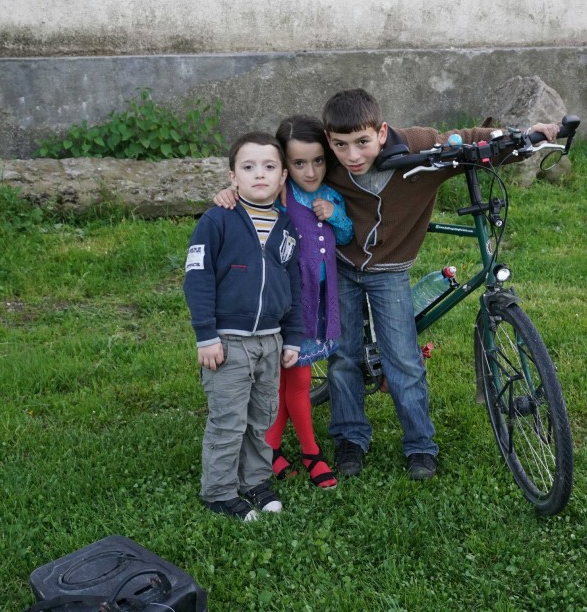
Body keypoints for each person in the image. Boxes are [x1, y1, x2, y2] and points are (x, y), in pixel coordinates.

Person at [321, 87, 561, 481]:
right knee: (343, 356)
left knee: (403, 359)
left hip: (389, 270)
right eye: (340, 145)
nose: (352, 155)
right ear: (329, 141)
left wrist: (525, 135)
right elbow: (282, 156)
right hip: (342, 263)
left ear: (382, 132)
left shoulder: (417, 147)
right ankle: (350, 438)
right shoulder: (325, 157)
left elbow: (467, 141)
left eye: (362, 142)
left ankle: (420, 445)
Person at [214, 116, 353, 489]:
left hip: (320, 304)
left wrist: (335, 214)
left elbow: (346, 232)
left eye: (318, 161)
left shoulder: (330, 195)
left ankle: (271, 448)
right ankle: (309, 451)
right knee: (291, 384)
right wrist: (225, 194)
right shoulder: (281, 193)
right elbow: (247, 197)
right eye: (298, 163)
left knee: (287, 382)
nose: (310, 171)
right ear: (285, 168)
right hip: (287, 306)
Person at [183, 131, 303, 522]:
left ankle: (254, 480)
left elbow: (295, 285)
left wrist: (294, 337)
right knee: (228, 420)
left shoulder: (286, 227)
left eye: (269, 167)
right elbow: (197, 277)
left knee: (262, 417)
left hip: (270, 339)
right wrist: (206, 335)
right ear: (232, 176)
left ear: (283, 176)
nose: (259, 175)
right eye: (248, 167)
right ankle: (218, 491)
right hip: (228, 341)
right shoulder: (217, 219)